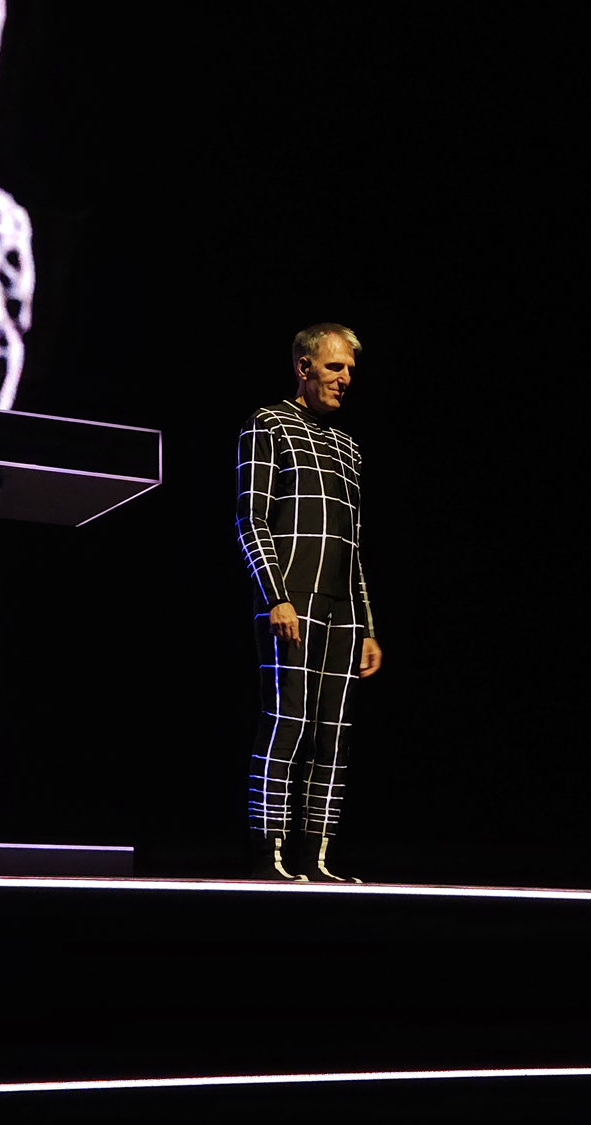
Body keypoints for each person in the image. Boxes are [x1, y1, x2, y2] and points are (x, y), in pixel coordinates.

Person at [236, 323, 384, 882]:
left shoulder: (349, 448)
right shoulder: (268, 424)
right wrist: (275, 596)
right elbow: (251, 517)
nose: (345, 379)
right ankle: (268, 858)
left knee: (332, 733)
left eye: (349, 370)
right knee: (288, 722)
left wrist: (366, 626)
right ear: (304, 367)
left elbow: (354, 546)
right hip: (289, 598)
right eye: (334, 367)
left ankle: (316, 861)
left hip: (341, 609)